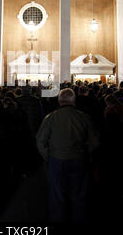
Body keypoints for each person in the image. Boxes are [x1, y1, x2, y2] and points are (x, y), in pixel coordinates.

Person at [36, 88, 99, 222]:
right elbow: (95, 140)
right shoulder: (83, 117)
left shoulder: (51, 117)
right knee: (79, 194)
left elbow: (40, 140)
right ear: (73, 101)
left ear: (59, 101)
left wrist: (48, 156)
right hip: (79, 158)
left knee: (57, 195)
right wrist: (86, 152)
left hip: (57, 159)